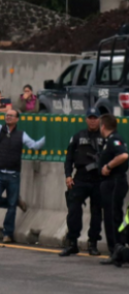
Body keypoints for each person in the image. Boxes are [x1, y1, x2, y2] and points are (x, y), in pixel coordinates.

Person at [0, 107, 45, 244]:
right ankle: (14, 202)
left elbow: (34, 145)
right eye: (7, 115)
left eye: (11, 116)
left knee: (11, 208)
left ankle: (7, 234)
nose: (8, 117)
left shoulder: (21, 134)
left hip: (13, 175)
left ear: (17, 119)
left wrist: (46, 138)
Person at [60, 108, 105, 257]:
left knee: (97, 213)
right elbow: (69, 158)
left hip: (99, 180)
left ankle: (93, 243)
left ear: (99, 120)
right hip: (80, 178)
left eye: (95, 118)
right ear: (86, 119)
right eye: (90, 118)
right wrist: (68, 175)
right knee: (73, 210)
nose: (92, 120)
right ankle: (72, 242)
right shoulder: (78, 136)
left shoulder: (105, 137)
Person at [98, 113, 129, 265]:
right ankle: (116, 250)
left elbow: (123, 155)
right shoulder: (108, 140)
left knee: (113, 216)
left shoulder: (114, 140)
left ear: (103, 126)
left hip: (115, 182)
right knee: (110, 216)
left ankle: (117, 250)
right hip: (110, 183)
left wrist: (108, 166)